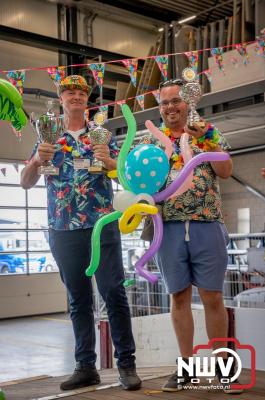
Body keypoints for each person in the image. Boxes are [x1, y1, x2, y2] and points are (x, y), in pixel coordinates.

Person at [21, 75, 141, 392]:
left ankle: (126, 365)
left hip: (102, 224)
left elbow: (127, 176)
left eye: (81, 93)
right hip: (63, 228)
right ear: (61, 99)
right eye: (69, 92)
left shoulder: (102, 135)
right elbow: (25, 181)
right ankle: (85, 366)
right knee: (78, 300)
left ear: (87, 101)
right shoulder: (47, 137)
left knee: (114, 293)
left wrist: (110, 160)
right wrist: (36, 160)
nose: (75, 96)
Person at [142, 79, 242, 394]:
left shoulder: (209, 132)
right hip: (167, 227)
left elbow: (226, 172)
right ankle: (187, 370)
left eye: (176, 101)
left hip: (207, 223)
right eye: (164, 102)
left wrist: (209, 141)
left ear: (188, 103)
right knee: (179, 297)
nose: (171, 107)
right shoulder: (151, 141)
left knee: (213, 297)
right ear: (159, 108)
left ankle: (225, 372)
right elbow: (138, 181)